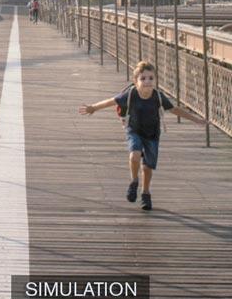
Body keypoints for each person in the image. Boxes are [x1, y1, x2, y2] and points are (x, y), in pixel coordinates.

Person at [77, 61, 205, 210]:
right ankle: (134, 181)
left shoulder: (158, 96)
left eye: (151, 78)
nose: (147, 82)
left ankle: (145, 193)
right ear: (135, 81)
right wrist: (93, 108)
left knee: (147, 168)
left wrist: (196, 120)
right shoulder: (131, 94)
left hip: (152, 134)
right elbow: (111, 101)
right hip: (134, 130)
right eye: (143, 78)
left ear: (155, 80)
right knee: (134, 155)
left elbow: (174, 109)